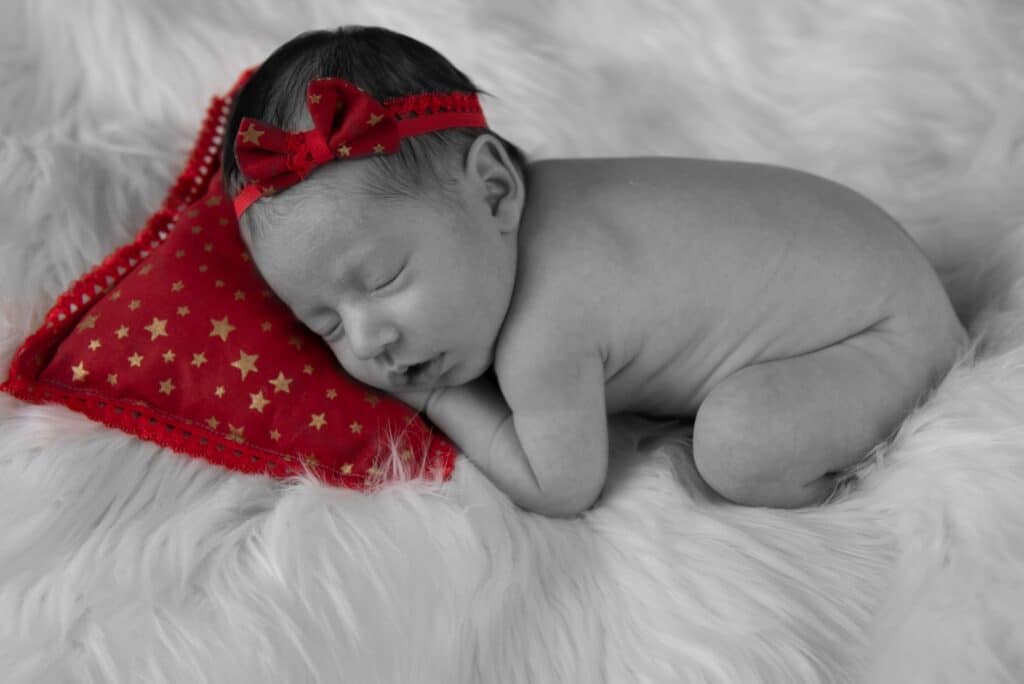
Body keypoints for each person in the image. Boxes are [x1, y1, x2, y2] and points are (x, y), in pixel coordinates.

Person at [222, 25, 967, 517]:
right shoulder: (516, 219)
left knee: (739, 449)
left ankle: (872, 481)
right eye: (322, 323)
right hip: (868, 259)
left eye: (383, 280)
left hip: (880, 338)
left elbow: (559, 487)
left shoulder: (546, 329)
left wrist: (442, 400)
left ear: (493, 190)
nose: (368, 339)